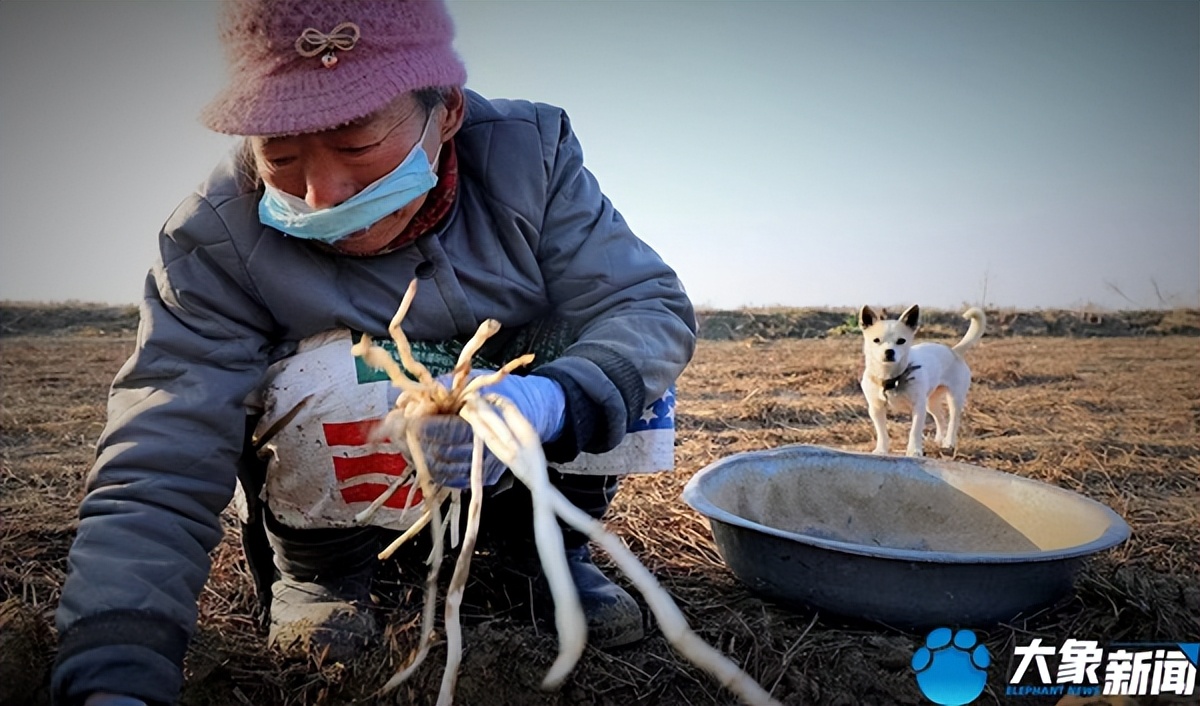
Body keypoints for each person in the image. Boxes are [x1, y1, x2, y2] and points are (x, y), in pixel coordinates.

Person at [50, 1, 696, 705]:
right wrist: (114, 667)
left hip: (508, 418)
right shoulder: (215, 236)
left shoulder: (529, 155)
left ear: (445, 111)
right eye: (282, 155)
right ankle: (321, 577)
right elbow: (162, 449)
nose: (322, 196)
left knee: (615, 363)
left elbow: (643, 305)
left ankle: (539, 554)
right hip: (337, 466)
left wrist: (550, 399)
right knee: (331, 374)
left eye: (357, 145)